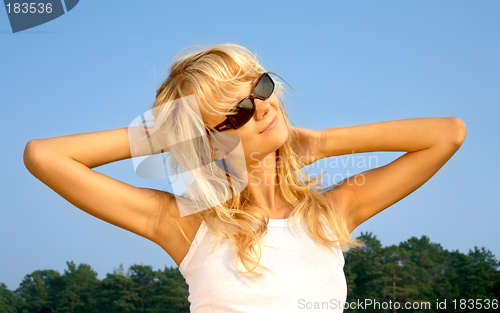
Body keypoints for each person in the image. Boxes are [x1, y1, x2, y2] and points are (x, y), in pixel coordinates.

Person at [23, 44, 467, 312]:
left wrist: (318, 143)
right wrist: (170, 131)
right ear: (207, 143)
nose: (261, 107)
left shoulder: (330, 214)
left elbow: (447, 134)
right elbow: (46, 156)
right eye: (236, 111)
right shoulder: (187, 224)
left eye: (260, 87)